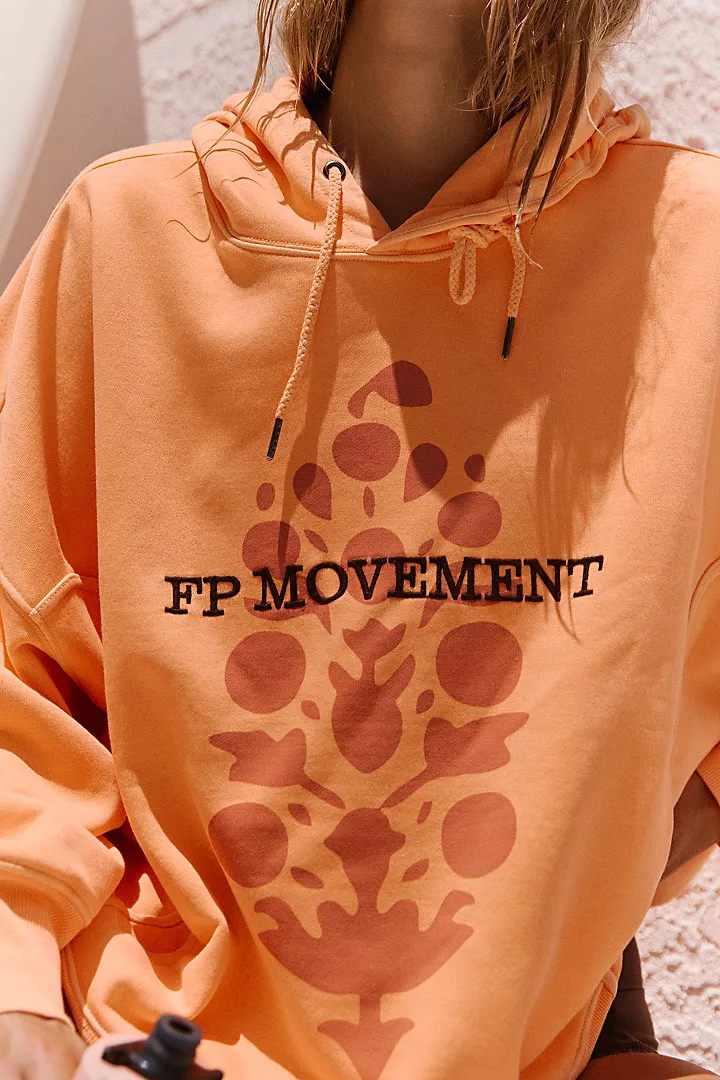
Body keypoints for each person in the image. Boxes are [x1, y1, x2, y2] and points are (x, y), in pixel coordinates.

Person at [0, 0, 719, 1078]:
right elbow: (17, 684)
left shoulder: (688, 257)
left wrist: (580, 879)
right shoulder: (128, 238)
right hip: (153, 1049)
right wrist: (22, 1010)